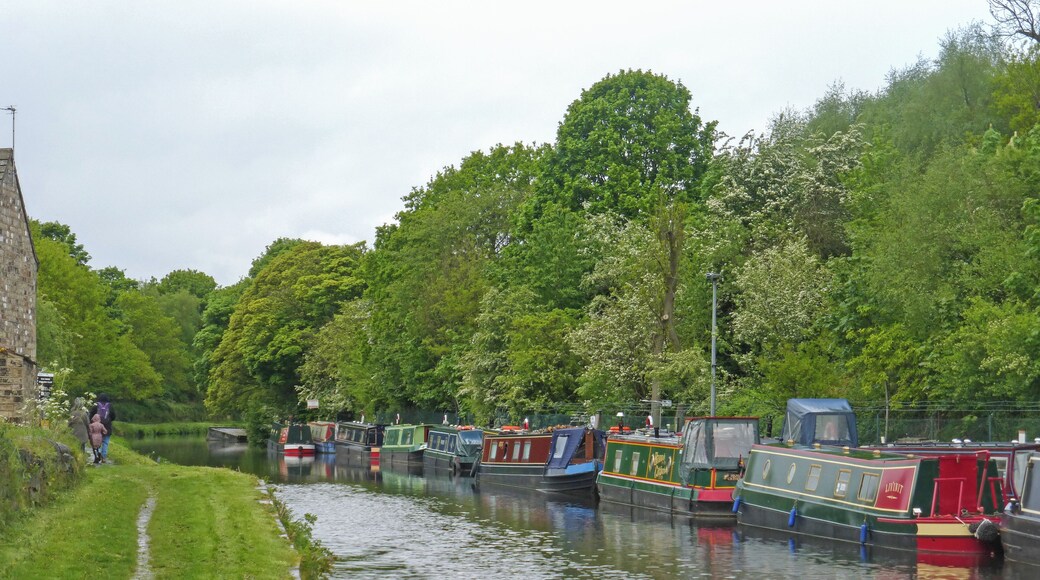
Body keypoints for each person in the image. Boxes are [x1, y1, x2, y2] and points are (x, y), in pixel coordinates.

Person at [89, 393, 116, 462]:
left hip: (96, 428)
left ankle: (98, 455)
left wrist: (92, 424)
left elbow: (91, 415)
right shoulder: (110, 406)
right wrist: (109, 420)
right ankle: (103, 457)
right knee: (105, 443)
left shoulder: (96, 406)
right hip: (107, 427)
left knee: (97, 442)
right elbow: (113, 416)